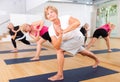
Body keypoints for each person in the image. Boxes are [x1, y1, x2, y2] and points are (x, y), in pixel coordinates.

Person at [44, 5, 100, 81]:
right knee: (83, 52)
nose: (50, 14)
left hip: (78, 38)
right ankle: (97, 59)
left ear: (56, 13)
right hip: (68, 41)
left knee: (60, 51)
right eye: (48, 14)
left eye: (52, 12)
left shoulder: (65, 18)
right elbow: (56, 45)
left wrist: (63, 31)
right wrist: (60, 35)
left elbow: (77, 23)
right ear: (47, 17)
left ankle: (60, 75)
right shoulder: (50, 29)